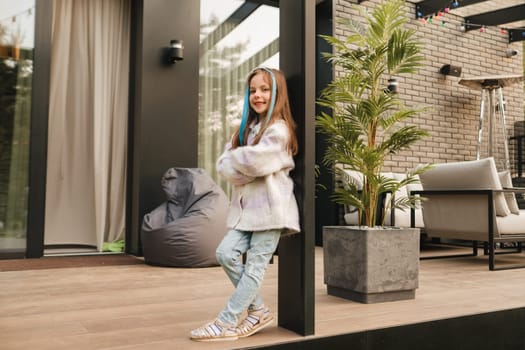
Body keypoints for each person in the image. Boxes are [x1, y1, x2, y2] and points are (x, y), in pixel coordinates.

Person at [190, 67, 300, 342]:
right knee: (226, 253)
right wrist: (243, 163)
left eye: (264, 89)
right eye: (253, 90)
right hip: (246, 212)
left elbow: (252, 162)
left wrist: (241, 163)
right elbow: (225, 165)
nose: (258, 95)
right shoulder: (246, 130)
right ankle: (259, 310)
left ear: (277, 94)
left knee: (255, 266)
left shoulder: (279, 130)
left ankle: (226, 322)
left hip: (272, 211)